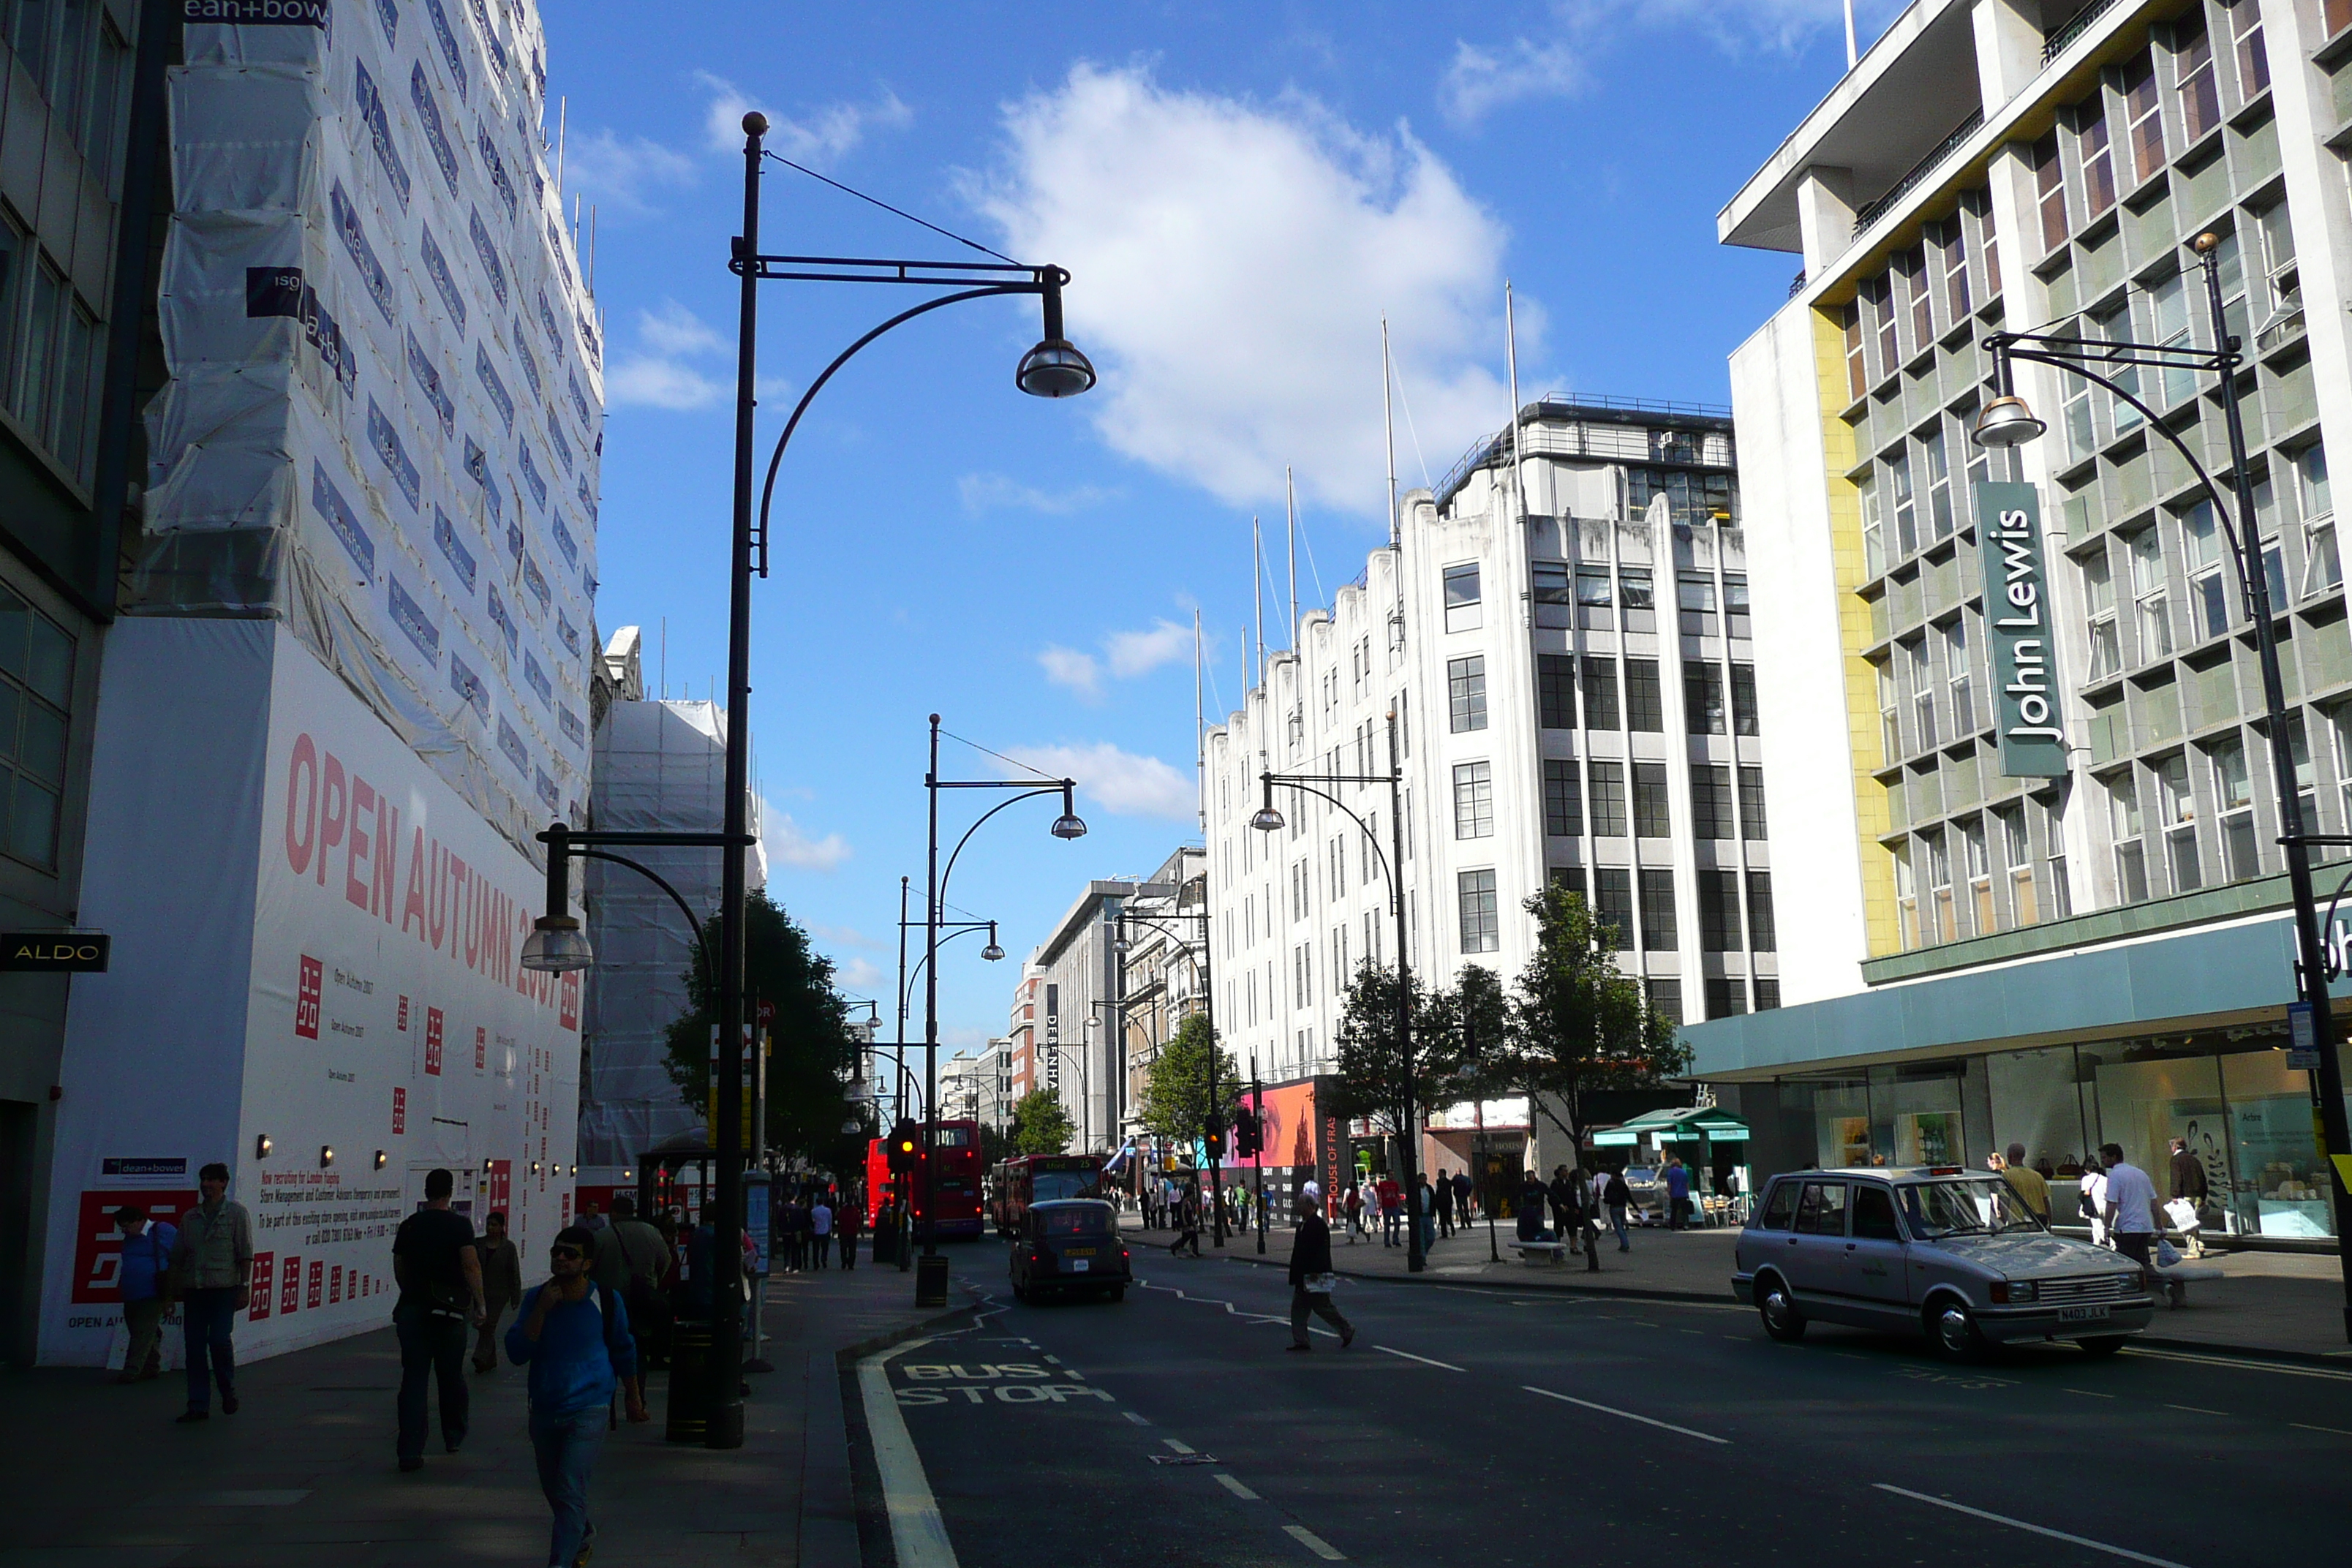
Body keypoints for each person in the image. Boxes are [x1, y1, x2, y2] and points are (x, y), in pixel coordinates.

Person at [508, 1225, 644, 1568]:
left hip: (590, 1407)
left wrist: (633, 1394)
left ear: (587, 1263)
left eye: (570, 1254)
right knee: (555, 1489)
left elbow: (623, 1348)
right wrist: (541, 1310)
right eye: (557, 1252)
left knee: (569, 1487)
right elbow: (516, 1352)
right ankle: (582, 1531)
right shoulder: (536, 1298)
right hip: (544, 1407)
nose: (561, 1259)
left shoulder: (606, 1300)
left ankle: (561, 1562)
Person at [392, 1168, 483, 1471]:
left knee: (414, 1379)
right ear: (450, 1192)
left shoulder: (410, 1226)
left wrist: (411, 1292)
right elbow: (470, 1265)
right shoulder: (459, 1226)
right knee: (451, 1376)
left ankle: (410, 1449)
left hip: (414, 1309)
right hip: (450, 1311)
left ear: (426, 1191)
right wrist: (479, 1303)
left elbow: (399, 1265)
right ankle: (453, 1435)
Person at [167, 1161, 253, 1423]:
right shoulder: (190, 1217)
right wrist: (170, 1294)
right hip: (195, 1290)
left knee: (218, 1340)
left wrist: (244, 1287)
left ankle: (227, 1389)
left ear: (223, 1183)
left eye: (212, 1180)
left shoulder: (236, 1214)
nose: (206, 1184)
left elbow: (245, 1254)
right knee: (193, 1349)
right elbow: (178, 1258)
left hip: (223, 1289)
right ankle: (198, 1405)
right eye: (203, 1179)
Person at [1284, 1183, 1355, 1352]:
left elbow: (1320, 1252)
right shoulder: (1303, 1225)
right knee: (1299, 1310)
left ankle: (1346, 1330)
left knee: (1323, 1307)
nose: (1298, 1208)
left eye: (1301, 1205)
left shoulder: (1317, 1225)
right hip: (1304, 1276)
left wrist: (1316, 1271)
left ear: (1310, 1206)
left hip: (1315, 1275)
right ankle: (1301, 1341)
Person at [114, 1204, 177, 1384]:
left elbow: (179, 1255)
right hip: (131, 1291)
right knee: (140, 1329)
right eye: (122, 1227)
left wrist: (170, 1293)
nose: (125, 1230)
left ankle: (132, 1370)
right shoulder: (130, 1239)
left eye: (127, 1226)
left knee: (142, 1331)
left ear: (140, 1221)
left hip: (152, 1291)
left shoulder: (162, 1231)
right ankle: (150, 1366)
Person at [471, 1210, 524, 1374]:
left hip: (499, 1293)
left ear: (502, 1227)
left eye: (494, 1225)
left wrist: (516, 1296)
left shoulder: (508, 1247)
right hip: (480, 1292)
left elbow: (513, 1272)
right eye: (488, 1224)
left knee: (489, 1324)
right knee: (483, 1326)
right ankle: (490, 1360)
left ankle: (480, 1356)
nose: (490, 1228)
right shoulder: (478, 1244)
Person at [2100, 1142, 2162, 1272]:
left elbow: (2111, 1203)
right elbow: (2154, 1202)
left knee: (2126, 1264)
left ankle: (2132, 1287)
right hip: (2145, 1227)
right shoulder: (2141, 1174)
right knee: (2143, 1262)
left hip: (2127, 1227)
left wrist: (2106, 1227)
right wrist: (2159, 1226)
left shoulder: (2115, 1176)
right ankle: (2156, 1284)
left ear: (2114, 1157)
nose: (2103, 1161)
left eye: (2104, 1158)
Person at [2167, 1137, 2209, 1257]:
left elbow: (2176, 1178)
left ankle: (2193, 1251)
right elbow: (2203, 1178)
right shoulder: (2194, 1159)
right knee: (2194, 1221)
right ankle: (2199, 1244)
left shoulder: (2176, 1160)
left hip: (2185, 1196)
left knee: (2186, 1224)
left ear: (2175, 1147)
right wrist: (2203, 1196)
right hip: (2198, 1195)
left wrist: (2174, 1195)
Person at [1997, 1142, 2050, 1222]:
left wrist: (2002, 1224)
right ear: (2023, 1156)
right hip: (2039, 1221)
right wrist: (2049, 1223)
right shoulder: (2037, 1176)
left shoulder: (2006, 1176)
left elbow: (2003, 1201)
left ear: (2010, 1156)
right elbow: (2046, 1202)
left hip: (2019, 1222)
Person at [2078, 1156, 2112, 1248]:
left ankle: (2112, 1244)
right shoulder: (2105, 1179)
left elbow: (2086, 1193)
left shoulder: (2086, 1179)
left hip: (2093, 1208)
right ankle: (2096, 1245)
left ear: (2087, 1169)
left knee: (2099, 1228)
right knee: (2097, 1227)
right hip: (2105, 1206)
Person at [1603, 1166, 1632, 1252]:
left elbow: (1606, 1193)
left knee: (1618, 1227)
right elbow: (1629, 1196)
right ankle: (1625, 1243)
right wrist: (1636, 1208)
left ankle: (1624, 1244)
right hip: (1622, 1206)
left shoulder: (1611, 1183)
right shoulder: (1622, 1184)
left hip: (1614, 1207)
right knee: (1621, 1226)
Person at [1170, 1183, 1203, 1258]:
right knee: (1191, 1236)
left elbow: (1191, 1213)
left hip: (1189, 1221)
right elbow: (1183, 1212)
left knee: (1188, 1236)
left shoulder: (1189, 1202)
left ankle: (1190, 1250)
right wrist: (1185, 1221)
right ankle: (1192, 1251)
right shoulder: (1185, 1202)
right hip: (1187, 1222)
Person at [1516, 1170, 1549, 1243]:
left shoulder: (1540, 1185)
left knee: (1540, 1229)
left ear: (1534, 1177)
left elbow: (1550, 1193)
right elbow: (1517, 1196)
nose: (1530, 1181)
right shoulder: (1524, 1186)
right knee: (1528, 1229)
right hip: (1528, 1212)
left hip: (1538, 1211)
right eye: (1528, 1179)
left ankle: (1541, 1245)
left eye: (1531, 1179)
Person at [1665, 1156, 1692, 1231]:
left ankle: (1672, 1226)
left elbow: (1669, 1184)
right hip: (1683, 1194)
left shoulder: (1671, 1172)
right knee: (1684, 1211)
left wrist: (1668, 1193)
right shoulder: (1683, 1172)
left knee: (1674, 1211)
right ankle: (1686, 1225)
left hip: (1674, 1194)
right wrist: (1687, 1193)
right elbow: (1687, 1184)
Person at [810, 1194, 834, 1270]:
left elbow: (813, 1221)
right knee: (825, 1248)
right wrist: (830, 1229)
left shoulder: (813, 1211)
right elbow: (830, 1221)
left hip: (817, 1231)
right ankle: (824, 1259)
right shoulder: (828, 1210)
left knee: (816, 1249)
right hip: (825, 1231)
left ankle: (816, 1263)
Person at [1376, 1175, 1402, 1247]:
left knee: (1397, 1222)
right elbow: (1379, 1194)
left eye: (1392, 1174)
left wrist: (1399, 1204)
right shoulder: (1382, 1184)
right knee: (1387, 1224)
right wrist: (1379, 1204)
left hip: (1395, 1205)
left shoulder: (1395, 1184)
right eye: (1390, 1174)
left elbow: (1397, 1194)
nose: (1392, 1176)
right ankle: (1387, 1241)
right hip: (1386, 1206)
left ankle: (1395, 1239)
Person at [836, 1194, 860, 1269]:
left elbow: (839, 1222)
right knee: (852, 1249)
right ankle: (851, 1264)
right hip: (853, 1232)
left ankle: (844, 1262)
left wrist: (836, 1231)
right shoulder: (855, 1210)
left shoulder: (842, 1210)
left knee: (843, 1249)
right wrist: (861, 1232)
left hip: (844, 1232)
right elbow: (858, 1222)